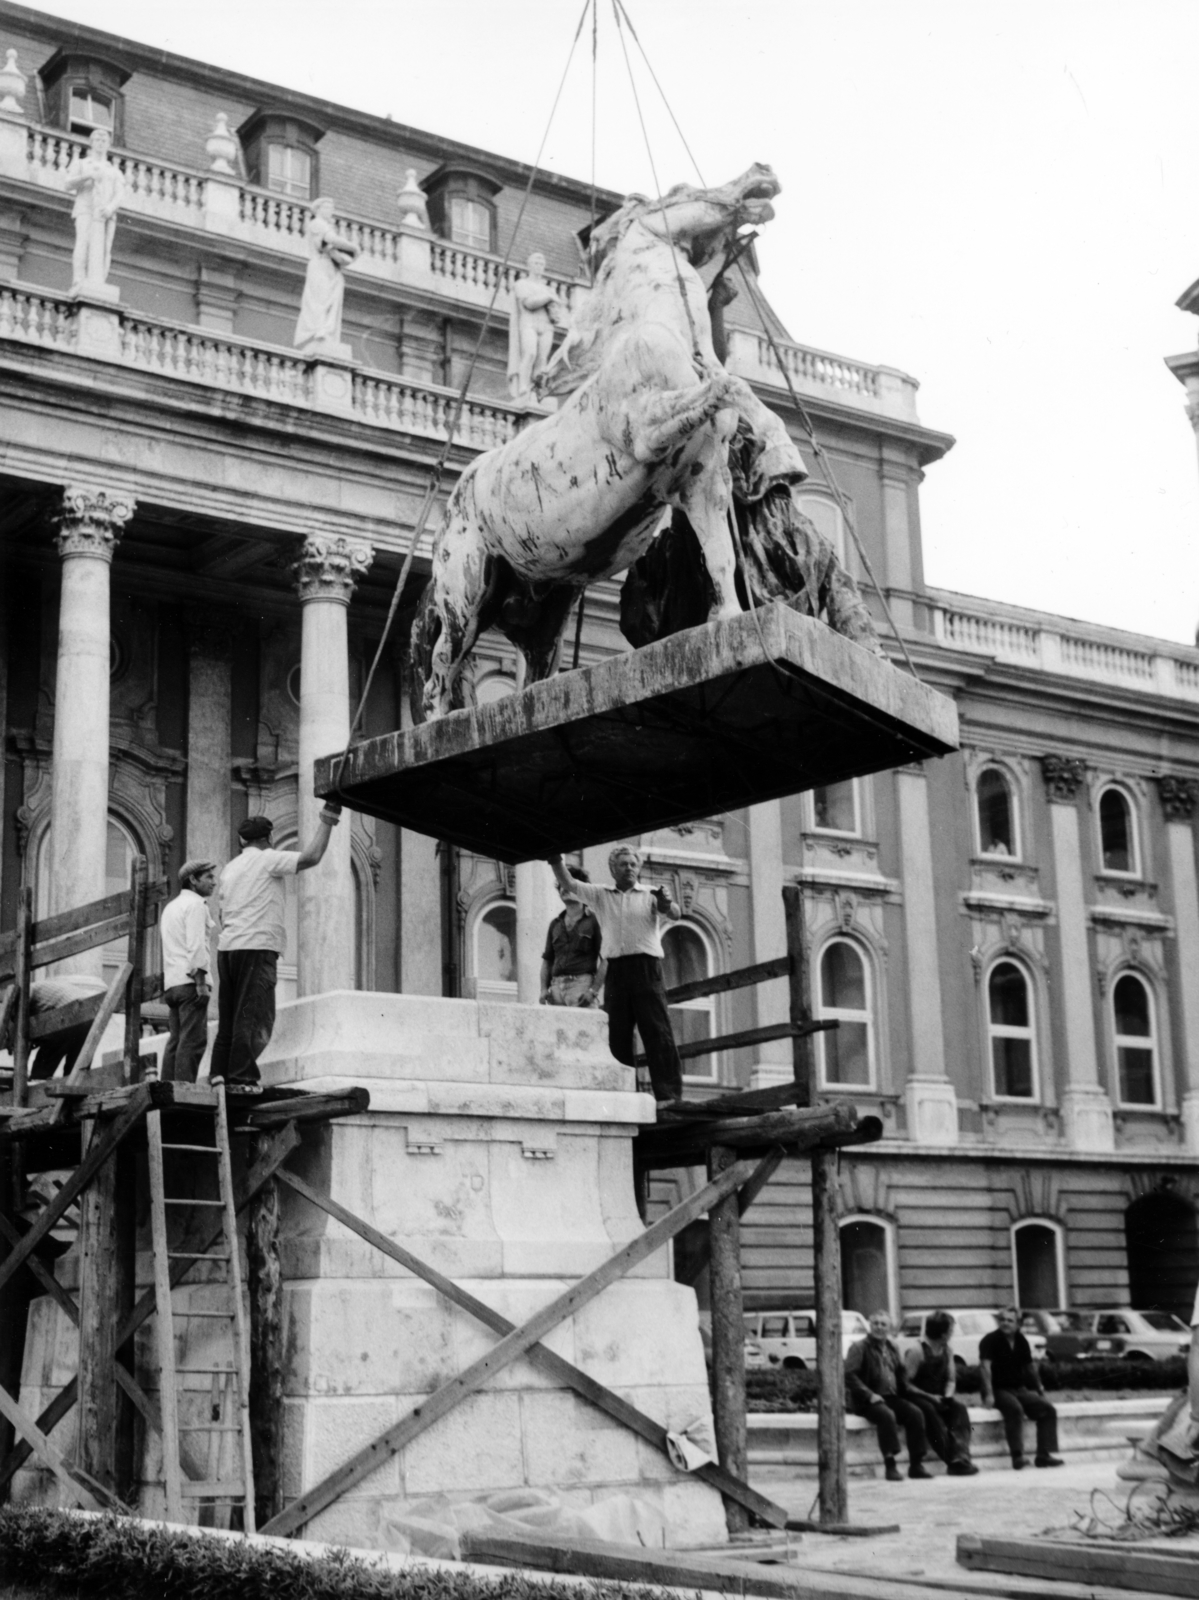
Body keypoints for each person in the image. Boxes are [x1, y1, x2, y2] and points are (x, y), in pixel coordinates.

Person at [210, 806, 340, 1092]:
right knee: (254, 1014)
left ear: (242, 840)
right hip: (257, 947)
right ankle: (242, 1078)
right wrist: (328, 820)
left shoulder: (230, 868)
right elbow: (311, 857)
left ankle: (218, 1074)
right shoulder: (268, 859)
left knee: (229, 1016)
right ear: (268, 838)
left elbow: (221, 913)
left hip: (228, 948)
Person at [547, 847, 683, 1105]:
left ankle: (669, 1095)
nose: (629, 868)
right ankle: (623, 1095)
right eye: (623, 864)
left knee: (656, 1029)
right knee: (617, 1033)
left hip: (646, 967)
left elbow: (674, 913)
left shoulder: (650, 893)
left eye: (633, 864)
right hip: (616, 970)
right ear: (613, 869)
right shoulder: (601, 895)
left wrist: (665, 901)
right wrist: (555, 860)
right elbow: (570, 884)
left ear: (638, 868)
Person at [844, 1310, 932, 1481]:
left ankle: (916, 1465)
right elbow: (849, 1375)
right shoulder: (859, 1347)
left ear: (889, 1328)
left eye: (883, 1324)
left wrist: (909, 1391)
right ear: (870, 1325)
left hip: (890, 1397)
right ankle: (890, 1466)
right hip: (866, 1401)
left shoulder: (893, 1347)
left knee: (915, 1413)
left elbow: (900, 1373)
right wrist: (869, 1395)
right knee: (886, 1415)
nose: (879, 1327)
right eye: (875, 1323)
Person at [979, 1306, 1063, 1469]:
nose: (1005, 1323)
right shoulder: (989, 1340)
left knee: (1048, 1409)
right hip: (998, 1390)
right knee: (1015, 1409)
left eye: (1010, 1320)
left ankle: (1043, 1455)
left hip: (1019, 1389)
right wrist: (988, 1395)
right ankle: (1017, 1457)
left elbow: (1029, 1367)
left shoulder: (1021, 1340)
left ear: (1018, 1323)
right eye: (1002, 1320)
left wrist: (1039, 1389)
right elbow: (984, 1367)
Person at [159, 858, 217, 1083]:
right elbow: (196, 946)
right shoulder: (196, 905)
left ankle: (167, 1091)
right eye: (208, 877)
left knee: (176, 1040)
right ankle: (184, 1091)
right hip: (191, 983)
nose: (214, 882)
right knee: (193, 1041)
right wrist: (201, 983)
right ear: (193, 879)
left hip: (173, 984)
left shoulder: (171, 907)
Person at [903, 1310, 979, 1475]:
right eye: (951, 1330)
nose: (952, 1333)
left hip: (939, 1396)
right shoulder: (917, 1350)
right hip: (917, 1396)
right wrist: (931, 1397)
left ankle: (961, 1457)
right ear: (943, 1334)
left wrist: (948, 1396)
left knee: (959, 1409)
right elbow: (906, 1384)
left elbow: (951, 1379)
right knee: (930, 1412)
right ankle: (951, 1461)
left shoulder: (947, 1350)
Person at [63, 126, 125, 292]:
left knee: (104, 248)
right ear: (91, 143)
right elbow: (67, 184)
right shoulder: (81, 163)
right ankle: (79, 279)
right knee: (83, 243)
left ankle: (98, 280)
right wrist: (88, 176)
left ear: (108, 144)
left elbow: (119, 194)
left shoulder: (114, 171)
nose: (100, 143)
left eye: (104, 140)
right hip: (85, 208)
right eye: (97, 139)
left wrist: (110, 208)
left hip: (105, 213)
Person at [294, 198, 359, 354]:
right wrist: (354, 247)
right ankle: (319, 331)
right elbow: (331, 239)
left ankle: (326, 331)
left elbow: (332, 247)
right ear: (319, 209)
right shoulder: (317, 224)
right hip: (320, 265)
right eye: (328, 208)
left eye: (332, 208)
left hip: (331, 267)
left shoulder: (326, 226)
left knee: (331, 301)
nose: (331, 211)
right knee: (320, 299)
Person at [539, 866, 605, 1007]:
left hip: (582, 987)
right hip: (555, 990)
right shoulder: (555, 924)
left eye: (569, 884)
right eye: (561, 885)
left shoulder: (594, 921)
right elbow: (547, 961)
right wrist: (543, 989)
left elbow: (606, 960)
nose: (564, 888)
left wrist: (593, 991)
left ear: (582, 890)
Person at [507, 251, 568, 399]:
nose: (539, 266)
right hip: (529, 323)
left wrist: (555, 311)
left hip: (546, 326)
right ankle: (523, 386)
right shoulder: (522, 284)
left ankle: (536, 391)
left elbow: (557, 313)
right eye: (536, 263)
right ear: (529, 266)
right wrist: (548, 297)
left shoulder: (548, 289)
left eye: (541, 264)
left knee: (542, 360)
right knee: (530, 353)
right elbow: (529, 303)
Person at [21, 975, 106, 1079]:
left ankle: (38, 1081)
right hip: (90, 1013)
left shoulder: (27, 989)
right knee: (76, 1069)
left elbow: (22, 1020)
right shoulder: (43, 993)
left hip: (69, 1011)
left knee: (46, 1060)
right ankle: (75, 1087)